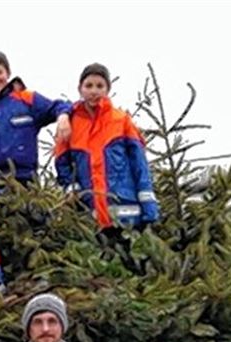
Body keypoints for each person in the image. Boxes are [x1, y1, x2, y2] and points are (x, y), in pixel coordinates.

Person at [54, 63, 159, 231]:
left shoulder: (121, 120)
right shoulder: (70, 123)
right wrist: (72, 189)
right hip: (90, 214)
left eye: (99, 86)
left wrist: (148, 202)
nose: (94, 91)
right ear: (80, 89)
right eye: (89, 86)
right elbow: (61, 161)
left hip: (126, 210)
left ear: (107, 89)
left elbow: (139, 163)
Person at [0, 50, 72, 183]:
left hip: (27, 183)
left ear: (8, 73)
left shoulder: (27, 99)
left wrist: (63, 116)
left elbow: (58, 106)